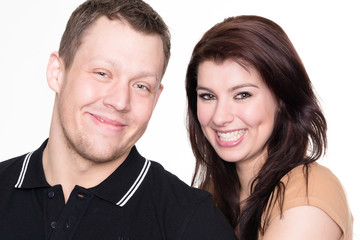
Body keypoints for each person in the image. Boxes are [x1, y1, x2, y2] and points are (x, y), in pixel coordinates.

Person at [0, 1, 237, 239]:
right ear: (57, 73)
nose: (120, 101)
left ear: (156, 98)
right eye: (102, 73)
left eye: (141, 86)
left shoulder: (192, 221)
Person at [186, 15, 353, 240]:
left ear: (282, 98)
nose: (220, 117)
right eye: (208, 96)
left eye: (242, 95)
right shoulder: (213, 191)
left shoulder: (310, 192)